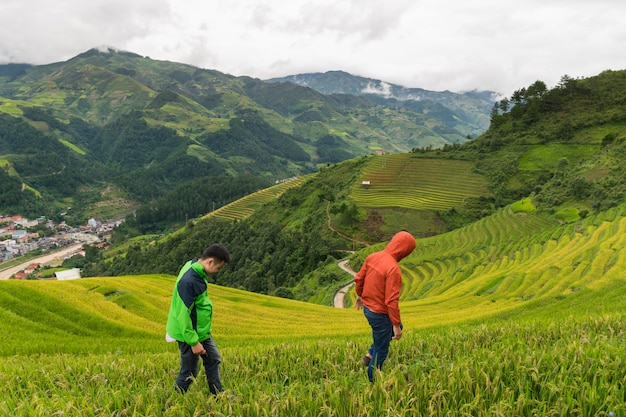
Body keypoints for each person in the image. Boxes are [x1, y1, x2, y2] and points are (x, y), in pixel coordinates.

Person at [165, 243, 230, 394]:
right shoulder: (189, 281)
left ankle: (218, 395)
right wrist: (193, 342)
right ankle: (172, 402)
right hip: (189, 333)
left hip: (201, 331)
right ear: (210, 262)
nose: (217, 271)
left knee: (213, 359)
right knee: (189, 372)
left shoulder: (194, 266)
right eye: (218, 268)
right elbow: (183, 314)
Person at [354, 231, 416, 382]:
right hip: (380, 314)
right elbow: (391, 301)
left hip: (368, 310)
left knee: (394, 328)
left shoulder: (373, 256)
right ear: (405, 251)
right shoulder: (393, 269)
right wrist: (395, 325)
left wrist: (359, 295)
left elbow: (359, 278)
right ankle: (372, 380)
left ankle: (369, 355)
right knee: (382, 351)